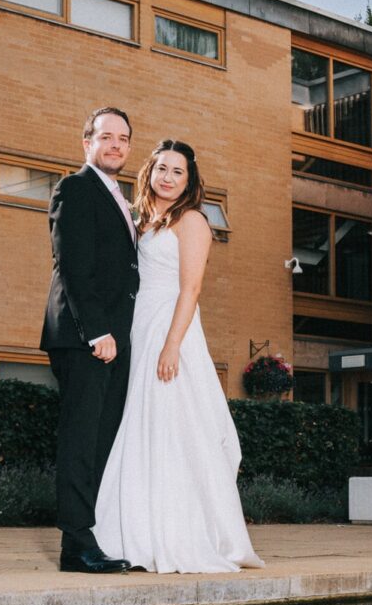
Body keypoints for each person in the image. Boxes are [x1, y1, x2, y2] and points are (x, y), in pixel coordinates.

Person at [94, 140, 262, 573]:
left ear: (189, 180)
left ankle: (181, 533)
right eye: (162, 168)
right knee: (140, 423)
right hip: (140, 325)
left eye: (177, 172)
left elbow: (190, 289)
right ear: (149, 171)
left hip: (171, 330)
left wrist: (171, 345)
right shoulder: (145, 221)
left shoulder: (192, 221)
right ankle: (135, 527)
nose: (167, 177)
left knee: (174, 425)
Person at [40, 108, 141, 573]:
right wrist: (97, 331)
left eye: (123, 139)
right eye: (106, 137)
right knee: (81, 439)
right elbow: (73, 266)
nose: (116, 145)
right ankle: (76, 545)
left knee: (102, 438)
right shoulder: (75, 188)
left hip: (113, 340)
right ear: (88, 143)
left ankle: (89, 537)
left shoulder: (120, 196)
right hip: (86, 338)